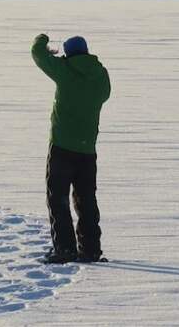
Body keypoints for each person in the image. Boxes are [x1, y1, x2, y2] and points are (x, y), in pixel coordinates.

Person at [31, 34, 111, 264]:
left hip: (62, 147)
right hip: (87, 151)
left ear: (68, 54)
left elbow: (37, 54)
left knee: (58, 199)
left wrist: (42, 39)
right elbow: (104, 94)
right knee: (86, 201)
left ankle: (64, 249)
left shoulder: (65, 71)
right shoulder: (101, 76)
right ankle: (91, 250)